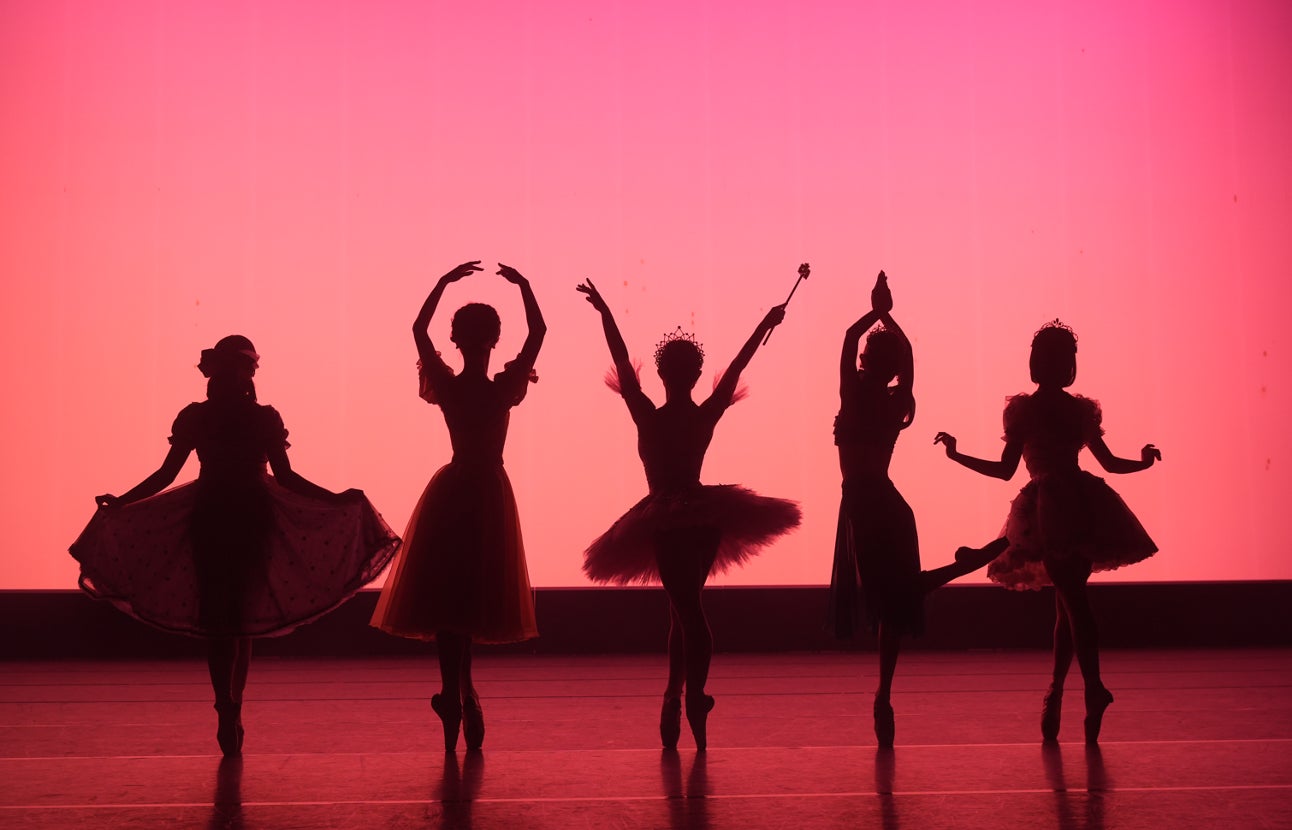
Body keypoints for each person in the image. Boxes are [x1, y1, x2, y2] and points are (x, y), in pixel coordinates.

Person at [71, 334, 399, 756]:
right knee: (242, 617)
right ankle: (235, 705)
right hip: (252, 513)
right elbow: (287, 477)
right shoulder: (262, 418)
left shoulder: (196, 416)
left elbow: (166, 475)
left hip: (208, 513)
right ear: (248, 372)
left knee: (217, 619)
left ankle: (224, 703)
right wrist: (335, 498)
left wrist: (123, 501)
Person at [577, 278, 801, 750]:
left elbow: (624, 363)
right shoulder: (703, 414)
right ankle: (677, 695)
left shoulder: (648, 413)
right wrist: (764, 324)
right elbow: (737, 365)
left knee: (686, 611)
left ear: (663, 375)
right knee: (682, 611)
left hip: (669, 519)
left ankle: (689, 696)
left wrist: (605, 313)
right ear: (695, 376)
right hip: (704, 519)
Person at [934, 319, 1160, 743]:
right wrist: (1144, 462)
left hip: (1054, 507)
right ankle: (1060, 691)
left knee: (1071, 601)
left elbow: (1005, 471)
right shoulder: (1071, 410)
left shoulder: (1032, 410)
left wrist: (956, 455)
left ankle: (1087, 688)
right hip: (1078, 503)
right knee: (1067, 603)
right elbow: (1109, 464)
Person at [828, 272, 1007, 748]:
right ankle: (884, 693)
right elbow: (906, 354)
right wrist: (887, 316)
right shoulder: (896, 400)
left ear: (869, 360)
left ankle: (884, 695)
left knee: (893, 600)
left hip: (867, 501)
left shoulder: (855, 394)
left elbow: (849, 338)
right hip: (887, 503)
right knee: (896, 600)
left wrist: (877, 311)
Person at [371, 261, 545, 752]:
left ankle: (455, 691)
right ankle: (464, 694)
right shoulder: (502, 389)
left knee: (450, 601)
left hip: (454, 490)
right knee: (470, 599)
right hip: (487, 491)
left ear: (458, 341)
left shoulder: (450, 387)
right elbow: (538, 333)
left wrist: (441, 285)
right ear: (493, 341)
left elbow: (417, 331)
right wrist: (525, 286)